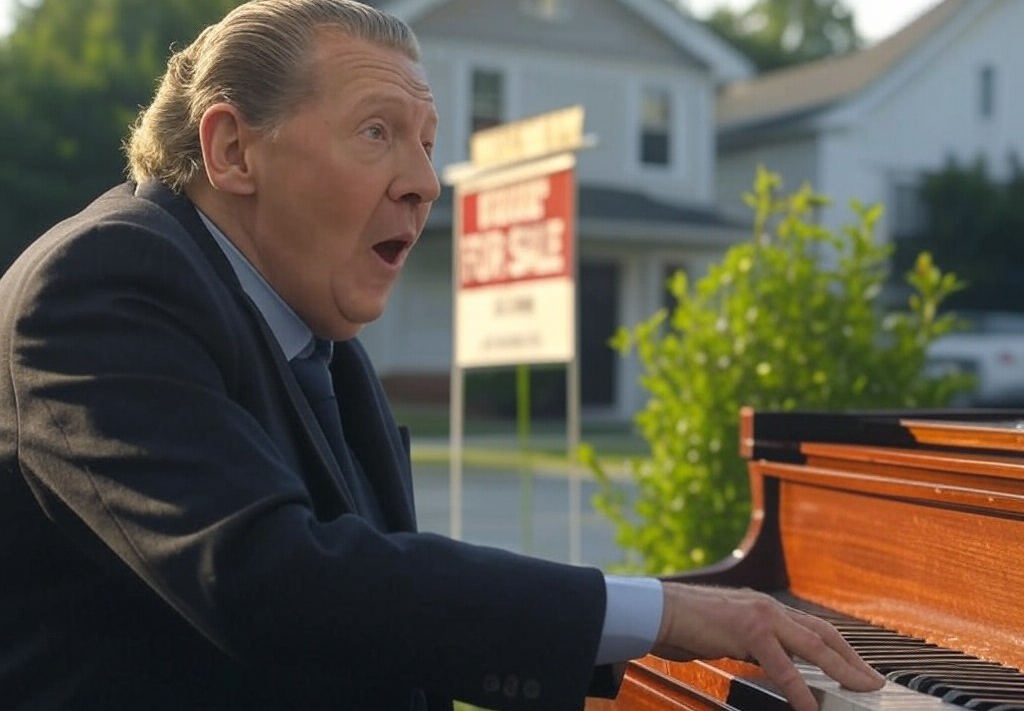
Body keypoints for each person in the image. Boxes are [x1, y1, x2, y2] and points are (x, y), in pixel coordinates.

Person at [0, 1, 884, 710]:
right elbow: (268, 577)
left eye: (427, 141)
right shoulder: (103, 280)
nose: (425, 182)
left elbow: (381, 610)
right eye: (377, 132)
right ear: (232, 149)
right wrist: (658, 610)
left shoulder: (317, 333)